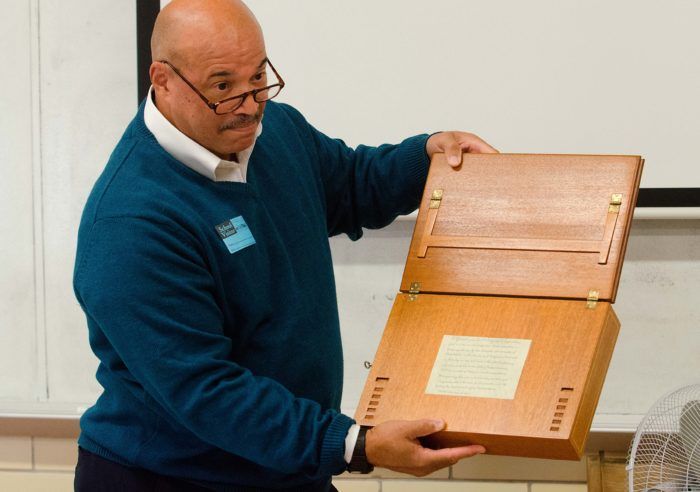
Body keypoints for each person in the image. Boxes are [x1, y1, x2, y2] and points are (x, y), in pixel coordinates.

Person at [72, 0, 497, 490]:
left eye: (257, 77)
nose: (250, 104)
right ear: (163, 79)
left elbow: (351, 185)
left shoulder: (277, 131)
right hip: (169, 477)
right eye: (223, 87)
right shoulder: (132, 222)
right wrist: (354, 445)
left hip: (282, 466)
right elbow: (207, 392)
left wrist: (428, 155)